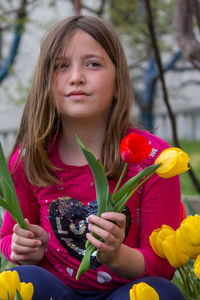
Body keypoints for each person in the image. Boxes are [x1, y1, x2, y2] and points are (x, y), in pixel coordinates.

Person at [0, 15, 185, 300]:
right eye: (61, 66)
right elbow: (8, 238)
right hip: (57, 291)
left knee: (161, 293)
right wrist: (21, 247)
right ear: (46, 85)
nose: (76, 77)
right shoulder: (29, 159)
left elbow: (161, 265)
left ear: (118, 82)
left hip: (124, 292)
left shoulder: (154, 160)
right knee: (21, 279)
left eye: (93, 64)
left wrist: (117, 254)